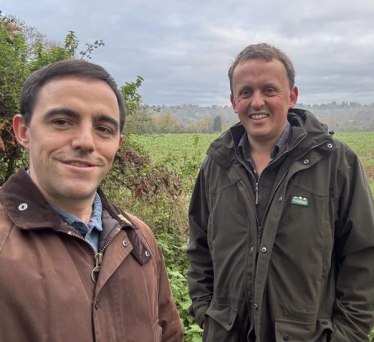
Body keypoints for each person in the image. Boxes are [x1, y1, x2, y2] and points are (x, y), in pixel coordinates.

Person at [187, 43, 374, 341]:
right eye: (246, 92)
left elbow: (363, 255)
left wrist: (348, 334)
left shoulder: (337, 163)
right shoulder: (217, 165)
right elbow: (199, 246)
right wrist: (204, 309)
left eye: (269, 90)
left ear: (292, 96)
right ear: (234, 102)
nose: (256, 102)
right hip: (227, 333)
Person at [0, 59, 183, 342]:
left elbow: (170, 333)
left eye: (103, 129)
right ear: (24, 131)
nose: (86, 142)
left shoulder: (139, 239)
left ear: (117, 144)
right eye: (62, 122)